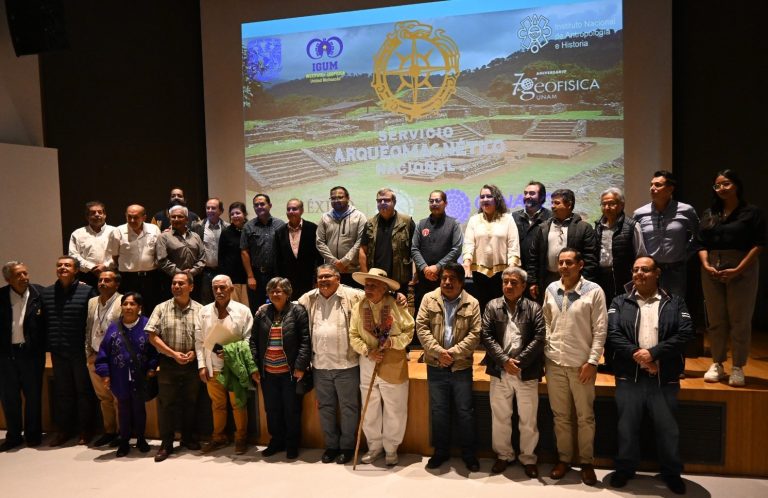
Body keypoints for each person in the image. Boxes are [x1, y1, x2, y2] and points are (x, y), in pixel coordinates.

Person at [606, 256, 693, 494]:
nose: (639, 274)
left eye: (645, 269)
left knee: (668, 428)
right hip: (629, 376)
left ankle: (671, 472)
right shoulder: (619, 301)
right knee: (626, 426)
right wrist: (639, 356)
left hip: (663, 377)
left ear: (657, 273)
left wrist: (654, 355)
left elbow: (685, 334)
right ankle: (625, 468)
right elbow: (613, 334)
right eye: (635, 270)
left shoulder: (675, 302)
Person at [543, 248, 607, 486]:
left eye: (569, 262)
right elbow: (546, 321)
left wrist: (592, 361)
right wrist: (547, 351)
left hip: (582, 365)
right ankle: (564, 459)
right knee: (560, 416)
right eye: (561, 262)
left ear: (580, 265)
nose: (564, 267)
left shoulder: (594, 291)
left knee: (585, 416)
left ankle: (587, 462)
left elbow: (600, 330)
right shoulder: (551, 289)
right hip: (555, 363)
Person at [698, 170, 765, 387]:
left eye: (725, 184)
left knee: (740, 319)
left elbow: (759, 244)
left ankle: (738, 366)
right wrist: (707, 265)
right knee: (716, 319)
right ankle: (717, 363)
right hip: (711, 268)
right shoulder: (710, 213)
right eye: (717, 186)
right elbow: (701, 243)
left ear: (736, 185)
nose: (721, 189)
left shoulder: (751, 212)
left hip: (742, 266)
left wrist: (738, 269)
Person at [415, 261, 481, 472]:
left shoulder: (473, 303)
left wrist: (451, 354)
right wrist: (438, 353)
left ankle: (469, 454)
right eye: (444, 278)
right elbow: (421, 328)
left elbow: (475, 335)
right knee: (439, 411)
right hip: (435, 365)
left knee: (464, 411)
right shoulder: (428, 298)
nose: (447, 282)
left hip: (461, 366)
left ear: (461, 282)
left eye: (452, 278)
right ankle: (440, 452)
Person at [480, 265, 545, 478]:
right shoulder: (492, 306)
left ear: (524, 286)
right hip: (500, 370)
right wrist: (504, 361)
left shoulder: (535, 308)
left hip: (525, 371)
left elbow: (539, 337)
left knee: (528, 419)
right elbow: (486, 336)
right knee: (501, 417)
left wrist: (519, 362)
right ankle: (503, 456)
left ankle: (528, 458)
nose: (508, 285)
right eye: (505, 281)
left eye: (514, 282)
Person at [297, 264, 364, 465]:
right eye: (320, 277)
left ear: (338, 279)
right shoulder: (308, 298)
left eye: (328, 276)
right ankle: (331, 446)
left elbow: (374, 297)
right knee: (325, 407)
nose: (323, 280)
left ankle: (347, 447)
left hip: (347, 364)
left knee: (349, 408)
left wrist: (398, 297)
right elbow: (289, 307)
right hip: (320, 365)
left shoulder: (353, 296)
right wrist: (267, 306)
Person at [349, 268, 414, 466]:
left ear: (384, 288)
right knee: (370, 407)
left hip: (393, 360)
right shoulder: (359, 306)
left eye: (373, 285)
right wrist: (368, 351)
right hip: (368, 361)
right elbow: (353, 335)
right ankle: (374, 446)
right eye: (366, 285)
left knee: (395, 406)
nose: (367, 289)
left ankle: (391, 448)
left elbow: (409, 331)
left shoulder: (396, 304)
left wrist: (393, 343)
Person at [249, 277, 311, 460]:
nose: (275, 294)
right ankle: (276, 441)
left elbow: (306, 341)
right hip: (267, 373)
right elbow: (253, 342)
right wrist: (255, 367)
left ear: (287, 293)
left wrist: (300, 366)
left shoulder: (298, 311)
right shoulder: (261, 313)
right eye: (272, 291)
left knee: (291, 410)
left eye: (279, 291)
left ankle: (292, 444)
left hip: (290, 373)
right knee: (272, 410)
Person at [146, 272, 203, 462]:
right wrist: (172, 354)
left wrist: (195, 352)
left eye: (181, 283)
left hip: (193, 362)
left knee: (191, 402)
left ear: (191, 287)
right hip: (169, 363)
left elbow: (206, 337)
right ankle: (166, 444)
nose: (176, 286)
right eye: (174, 283)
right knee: (166, 405)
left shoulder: (201, 310)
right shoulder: (161, 308)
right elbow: (152, 336)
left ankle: (188, 438)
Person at [41, 256, 97, 447]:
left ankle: (85, 431)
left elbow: (93, 322)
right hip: (58, 351)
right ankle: (63, 431)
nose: (62, 268)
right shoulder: (46, 294)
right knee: (62, 393)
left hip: (80, 351)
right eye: (59, 265)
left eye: (67, 265)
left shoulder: (87, 291)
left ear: (76, 270)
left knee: (83, 392)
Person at [95, 292, 158, 458]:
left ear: (139, 308)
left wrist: (152, 368)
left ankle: (141, 439)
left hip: (140, 377)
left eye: (132, 304)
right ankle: (124, 441)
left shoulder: (147, 325)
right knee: (123, 409)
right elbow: (103, 353)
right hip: (120, 377)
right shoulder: (113, 327)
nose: (128, 307)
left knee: (139, 409)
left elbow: (154, 351)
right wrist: (105, 374)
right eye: (125, 304)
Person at [195, 275, 254, 455]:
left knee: (238, 404)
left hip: (234, 366)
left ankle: (241, 438)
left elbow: (249, 339)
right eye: (215, 288)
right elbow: (199, 341)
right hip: (212, 366)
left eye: (222, 288)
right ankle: (218, 437)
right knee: (217, 404)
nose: (219, 291)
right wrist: (201, 365)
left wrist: (231, 350)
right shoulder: (204, 311)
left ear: (231, 289)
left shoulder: (243, 311)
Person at [633, 170, 699, 298]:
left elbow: (698, 236)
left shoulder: (686, 210)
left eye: (658, 185)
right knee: (649, 308)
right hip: (649, 271)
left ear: (670, 189)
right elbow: (635, 241)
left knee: (674, 309)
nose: (652, 188)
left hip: (676, 270)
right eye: (651, 184)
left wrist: (685, 254)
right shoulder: (640, 213)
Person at [0, 261, 45, 451]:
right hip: (5, 355)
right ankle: (13, 435)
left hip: (31, 354)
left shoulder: (39, 294)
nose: (24, 278)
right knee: (9, 397)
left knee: (33, 396)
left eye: (25, 273)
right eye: (18, 275)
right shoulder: (0, 297)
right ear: (8, 279)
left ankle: (33, 435)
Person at [527, 189, 598, 303]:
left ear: (569, 204)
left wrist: (584, 283)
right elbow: (533, 257)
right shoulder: (543, 227)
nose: (553, 206)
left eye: (557, 203)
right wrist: (532, 281)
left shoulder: (584, 228)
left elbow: (590, 259)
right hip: (547, 280)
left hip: (574, 280)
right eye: (552, 203)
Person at [462, 184, 521, 313]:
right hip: (479, 273)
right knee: (482, 308)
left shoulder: (508, 219)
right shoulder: (473, 220)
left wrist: (512, 268)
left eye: (489, 196)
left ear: (497, 199)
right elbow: (469, 243)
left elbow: (513, 244)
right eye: (482, 197)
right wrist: (466, 261)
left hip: (503, 273)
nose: (485, 199)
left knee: (501, 310)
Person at [85, 270, 122, 448]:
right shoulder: (92, 302)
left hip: (114, 358)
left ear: (117, 284)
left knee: (118, 397)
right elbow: (88, 328)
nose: (102, 283)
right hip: (94, 356)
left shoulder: (124, 301)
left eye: (108, 280)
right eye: (100, 280)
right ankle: (110, 431)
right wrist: (88, 353)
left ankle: (123, 433)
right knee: (104, 398)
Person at [411, 190, 463, 316]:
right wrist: (425, 269)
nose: (434, 203)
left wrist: (438, 267)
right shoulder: (421, 224)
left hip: (446, 278)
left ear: (445, 203)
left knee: (445, 315)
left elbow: (456, 249)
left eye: (437, 200)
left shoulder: (453, 224)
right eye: (431, 201)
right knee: (423, 315)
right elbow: (414, 248)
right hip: (424, 278)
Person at [107, 204, 162, 314]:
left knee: (151, 309)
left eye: (136, 217)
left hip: (150, 277)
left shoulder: (154, 229)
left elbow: (158, 252)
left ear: (144, 217)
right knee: (129, 309)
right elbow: (115, 256)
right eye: (129, 217)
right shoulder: (118, 231)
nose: (132, 220)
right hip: (128, 278)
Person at [594, 188, 646, 301]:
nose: (607, 207)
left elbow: (641, 255)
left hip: (625, 278)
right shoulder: (598, 226)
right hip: (602, 278)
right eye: (604, 204)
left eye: (611, 204)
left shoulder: (632, 226)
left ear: (622, 205)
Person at [359, 188, 416, 291]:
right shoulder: (370, 223)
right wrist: (365, 275)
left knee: (398, 306)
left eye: (386, 200)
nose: (382, 203)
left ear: (394, 202)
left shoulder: (407, 222)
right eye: (379, 201)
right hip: (375, 277)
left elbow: (415, 250)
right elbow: (363, 250)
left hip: (399, 278)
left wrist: (415, 274)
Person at [316, 186, 368, 288]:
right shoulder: (324, 218)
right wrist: (335, 262)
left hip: (352, 270)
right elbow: (320, 242)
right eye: (333, 198)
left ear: (348, 198)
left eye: (340, 197)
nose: (336, 200)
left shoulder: (359, 217)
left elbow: (360, 242)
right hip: (331, 271)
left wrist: (344, 262)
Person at [241, 193, 285, 311]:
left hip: (276, 273)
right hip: (256, 275)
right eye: (256, 205)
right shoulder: (248, 226)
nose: (259, 207)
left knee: (278, 306)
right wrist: (250, 276)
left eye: (262, 204)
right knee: (257, 308)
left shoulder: (280, 224)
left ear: (270, 205)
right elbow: (244, 252)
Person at [275, 199, 322, 299]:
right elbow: (277, 259)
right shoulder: (279, 232)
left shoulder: (313, 228)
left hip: (309, 280)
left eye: (294, 209)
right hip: (287, 282)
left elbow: (319, 257)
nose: (291, 211)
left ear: (302, 211)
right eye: (288, 209)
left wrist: (317, 279)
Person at [156, 205, 206, 301]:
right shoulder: (163, 237)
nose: (176, 219)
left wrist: (192, 272)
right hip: (172, 281)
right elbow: (162, 260)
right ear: (170, 219)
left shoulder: (195, 236)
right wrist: (180, 274)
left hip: (194, 280)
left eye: (180, 216)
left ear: (187, 220)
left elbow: (202, 258)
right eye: (173, 217)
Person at [68, 201, 115, 288]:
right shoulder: (77, 233)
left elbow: (120, 254)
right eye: (93, 213)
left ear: (105, 215)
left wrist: (105, 266)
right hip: (86, 276)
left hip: (111, 274)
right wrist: (92, 267)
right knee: (88, 301)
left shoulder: (115, 232)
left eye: (100, 212)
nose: (97, 215)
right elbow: (73, 256)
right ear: (87, 216)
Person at [192, 198, 229, 305]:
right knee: (205, 302)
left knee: (223, 301)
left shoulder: (227, 227)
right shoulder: (197, 226)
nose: (210, 210)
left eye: (213, 208)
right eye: (208, 208)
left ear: (221, 211)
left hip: (222, 270)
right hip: (204, 271)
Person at [512, 181, 551, 274]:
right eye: (525, 193)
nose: (527, 196)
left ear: (542, 197)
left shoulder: (551, 218)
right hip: (518, 272)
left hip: (542, 273)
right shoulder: (513, 217)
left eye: (532, 193)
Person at [218, 201, 250, 306]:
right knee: (234, 309)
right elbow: (221, 257)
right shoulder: (226, 233)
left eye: (238, 213)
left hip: (249, 278)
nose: (235, 216)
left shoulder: (251, 229)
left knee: (248, 308)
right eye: (232, 214)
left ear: (244, 214)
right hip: (232, 279)